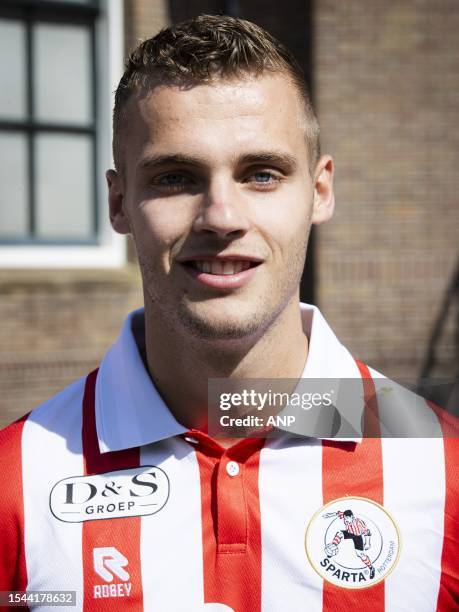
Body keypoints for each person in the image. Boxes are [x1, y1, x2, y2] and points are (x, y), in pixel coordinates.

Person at [0, 14, 457, 612]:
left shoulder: (443, 470)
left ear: (319, 192)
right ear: (119, 202)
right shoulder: (15, 484)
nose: (221, 216)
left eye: (262, 174)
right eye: (175, 177)